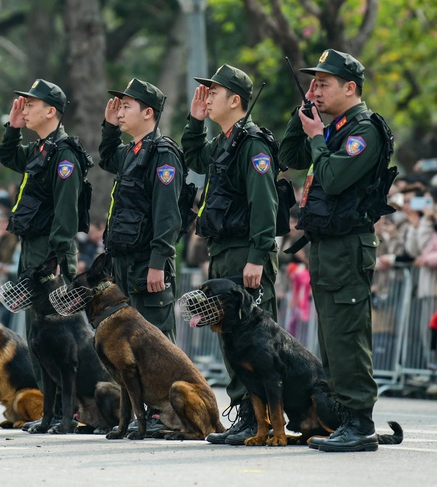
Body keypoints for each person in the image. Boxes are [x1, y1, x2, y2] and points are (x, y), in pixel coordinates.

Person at [279, 49, 393, 452]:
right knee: (330, 339)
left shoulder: (363, 131)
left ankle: (360, 421)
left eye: (324, 83)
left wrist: (315, 138)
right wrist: (302, 117)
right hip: (327, 247)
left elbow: (332, 177)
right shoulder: (335, 129)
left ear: (351, 87)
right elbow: (288, 157)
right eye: (313, 82)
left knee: (346, 336)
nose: (317, 89)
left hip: (348, 246)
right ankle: (344, 418)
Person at [181, 64, 279, 445]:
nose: (208, 98)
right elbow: (194, 158)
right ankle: (244, 414)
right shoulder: (224, 141)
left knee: (257, 342)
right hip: (223, 251)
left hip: (245, 254)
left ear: (235, 100)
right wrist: (195, 119)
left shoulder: (252, 144)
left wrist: (258, 254)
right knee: (232, 340)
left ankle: (267, 420)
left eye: (215, 92)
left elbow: (264, 204)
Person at [0, 79, 88, 426]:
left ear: (51, 111)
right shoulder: (40, 150)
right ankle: (48, 413)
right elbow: (8, 156)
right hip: (32, 251)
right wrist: (13, 126)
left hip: (49, 258)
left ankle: (72, 411)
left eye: (32, 104)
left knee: (60, 340)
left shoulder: (64, 155)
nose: (25, 107)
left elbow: (65, 217)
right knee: (36, 335)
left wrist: (55, 264)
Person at [99, 78, 184, 434]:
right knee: (129, 345)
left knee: (155, 341)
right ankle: (141, 415)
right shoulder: (133, 152)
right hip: (124, 261)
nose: (121, 110)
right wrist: (108, 125)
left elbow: (168, 215)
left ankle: (170, 416)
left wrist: (157, 262)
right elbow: (105, 157)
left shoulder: (162, 153)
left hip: (146, 263)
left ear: (148, 113)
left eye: (127, 105)